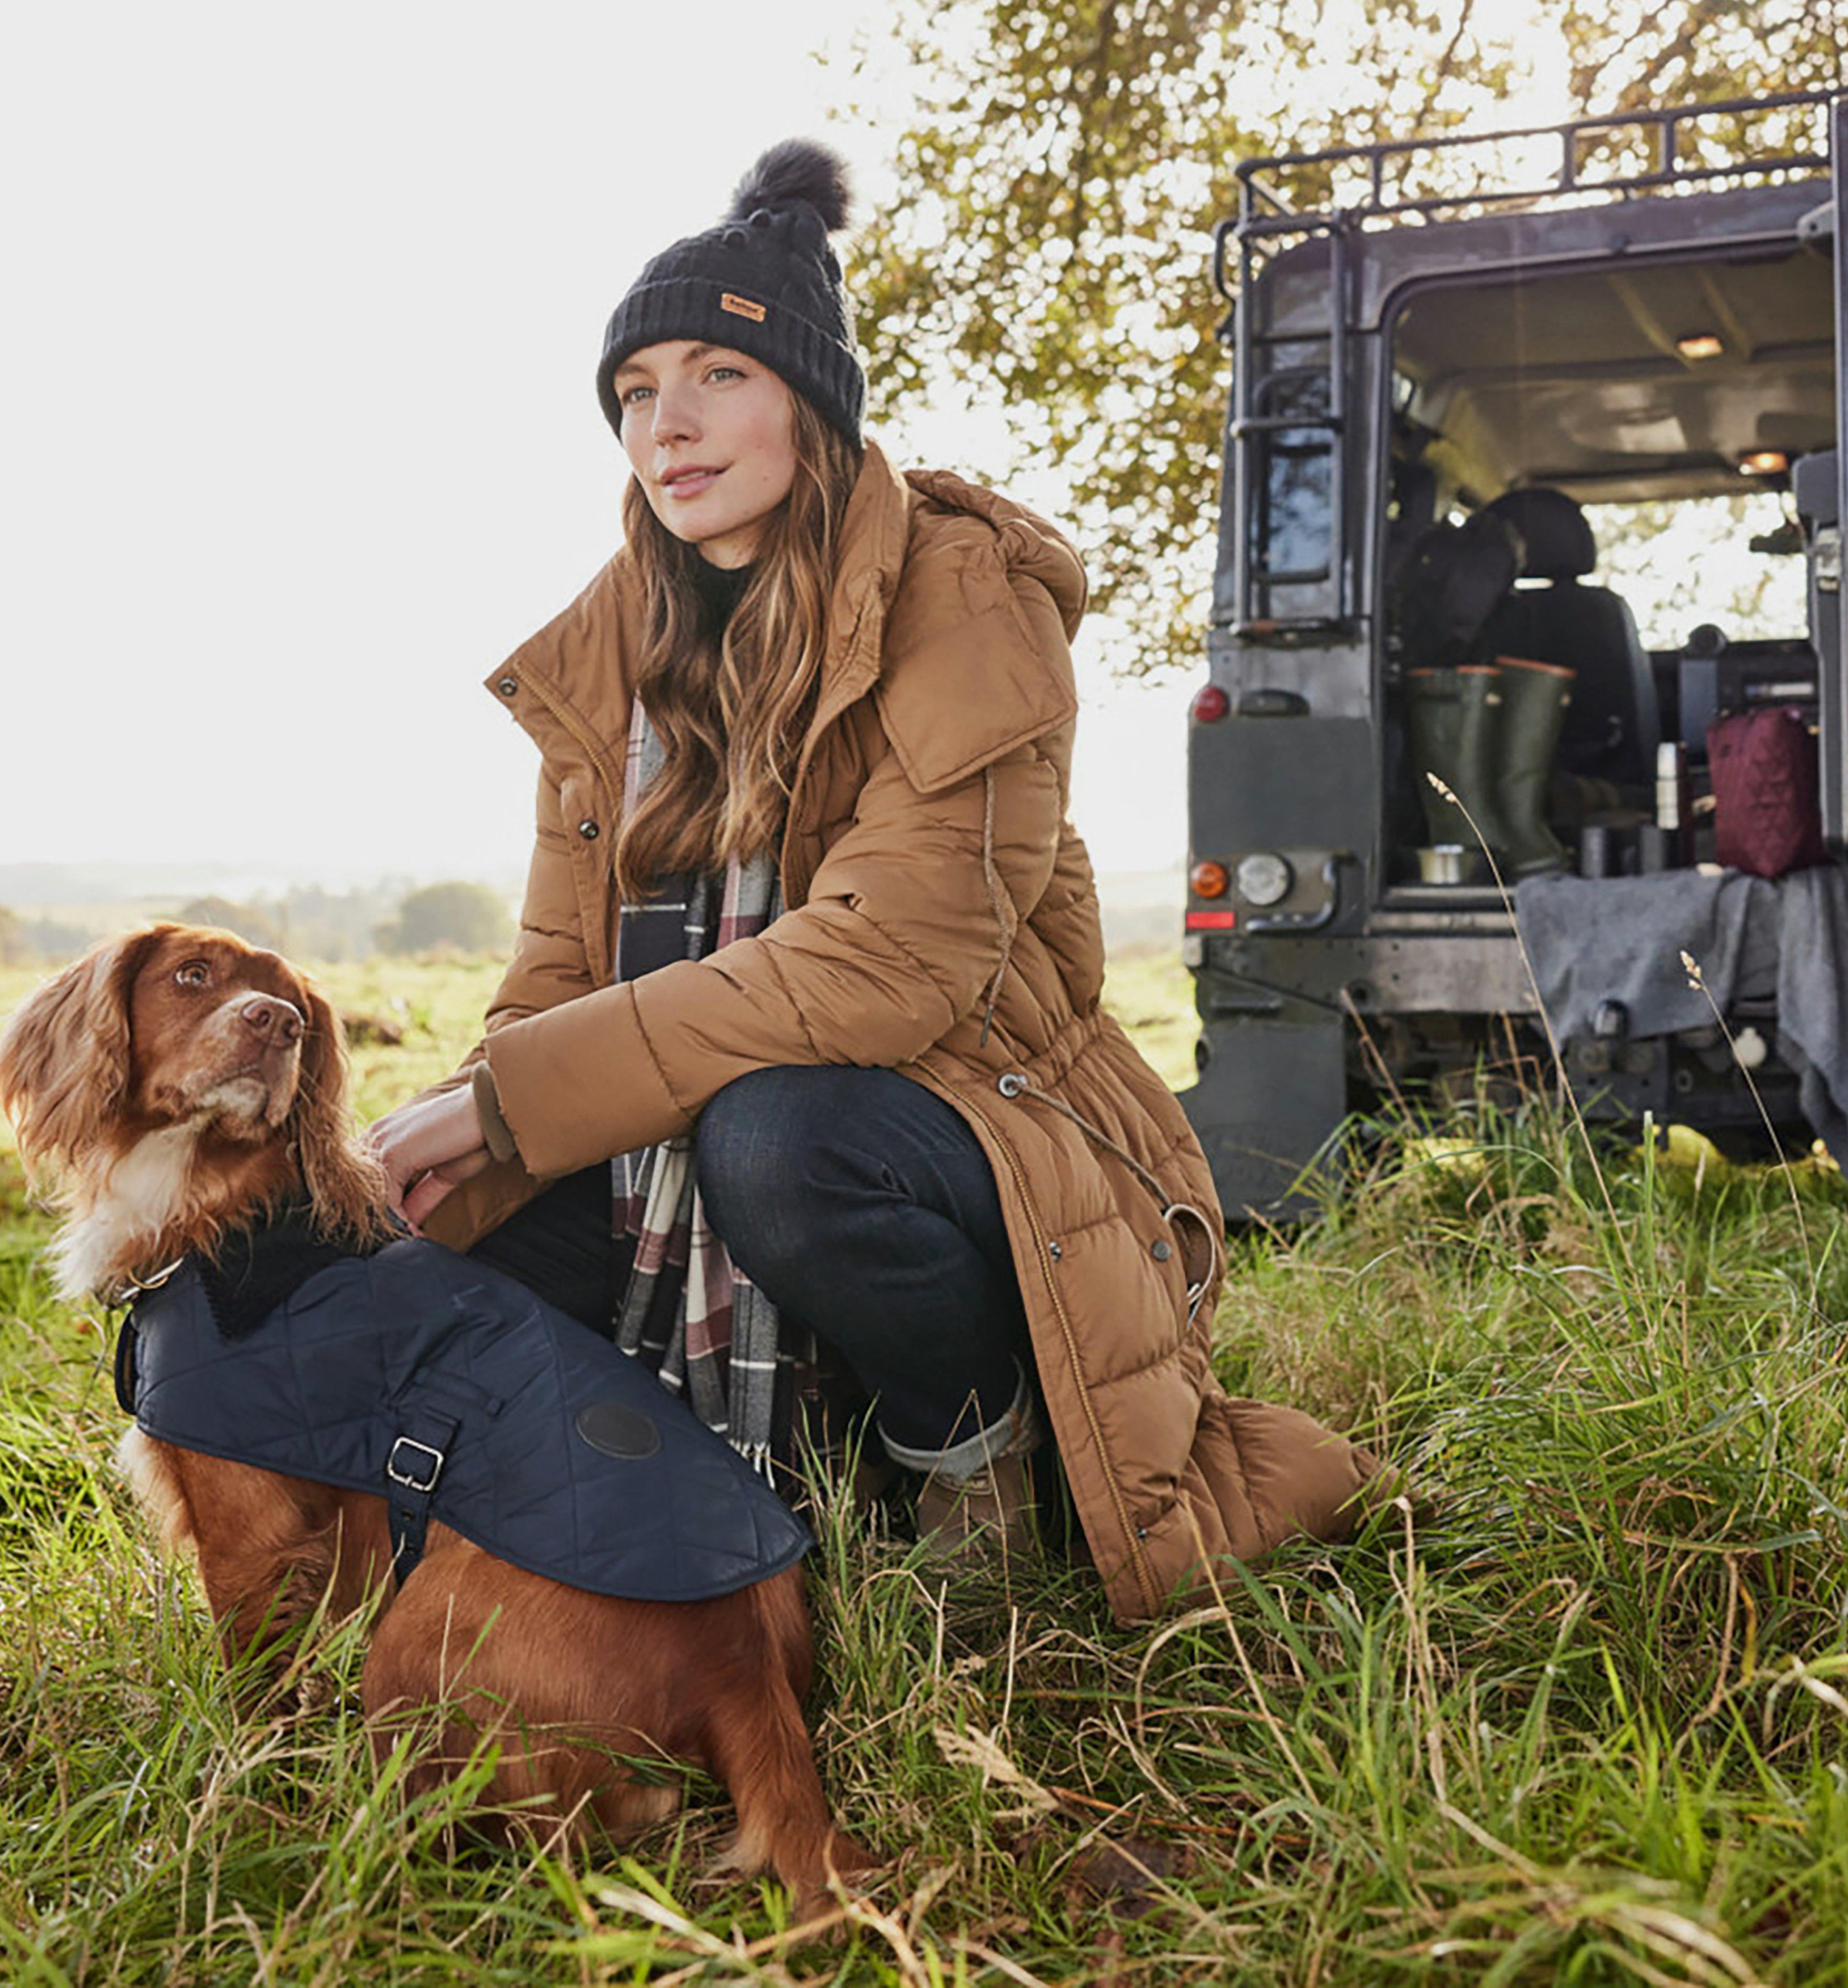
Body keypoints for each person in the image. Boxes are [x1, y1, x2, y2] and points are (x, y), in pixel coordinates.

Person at [368, 140, 1384, 1618]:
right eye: (635, 392)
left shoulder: (964, 594)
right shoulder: (607, 664)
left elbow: (891, 961)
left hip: (966, 1116)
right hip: (690, 1125)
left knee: (778, 1142)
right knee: (436, 1244)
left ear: (813, 402)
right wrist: (477, 1130)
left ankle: (974, 1465)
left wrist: (516, 1097)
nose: (666, 425)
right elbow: (556, 982)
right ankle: (681, 1498)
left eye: (718, 373)